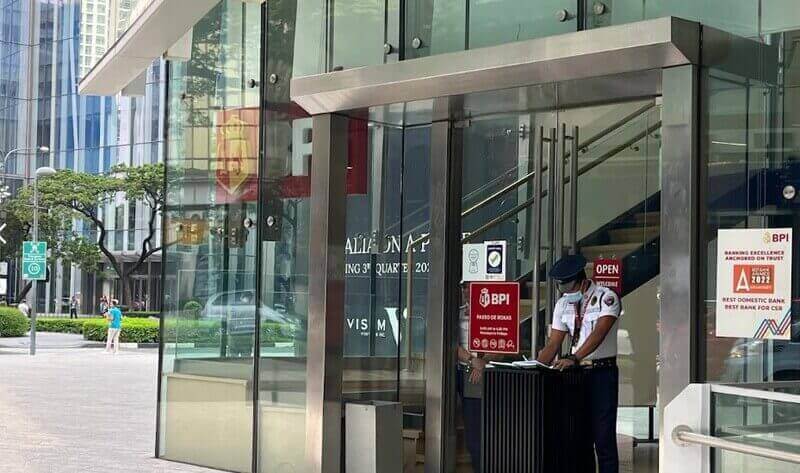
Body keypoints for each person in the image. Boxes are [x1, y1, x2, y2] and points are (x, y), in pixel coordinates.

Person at [537, 254, 621, 473]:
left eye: (569, 289)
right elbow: (554, 342)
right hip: (575, 376)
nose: (566, 294)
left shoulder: (606, 298)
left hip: (601, 374)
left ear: (582, 281)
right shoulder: (563, 304)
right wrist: (535, 366)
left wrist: (575, 357)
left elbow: (599, 334)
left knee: (603, 439)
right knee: (579, 437)